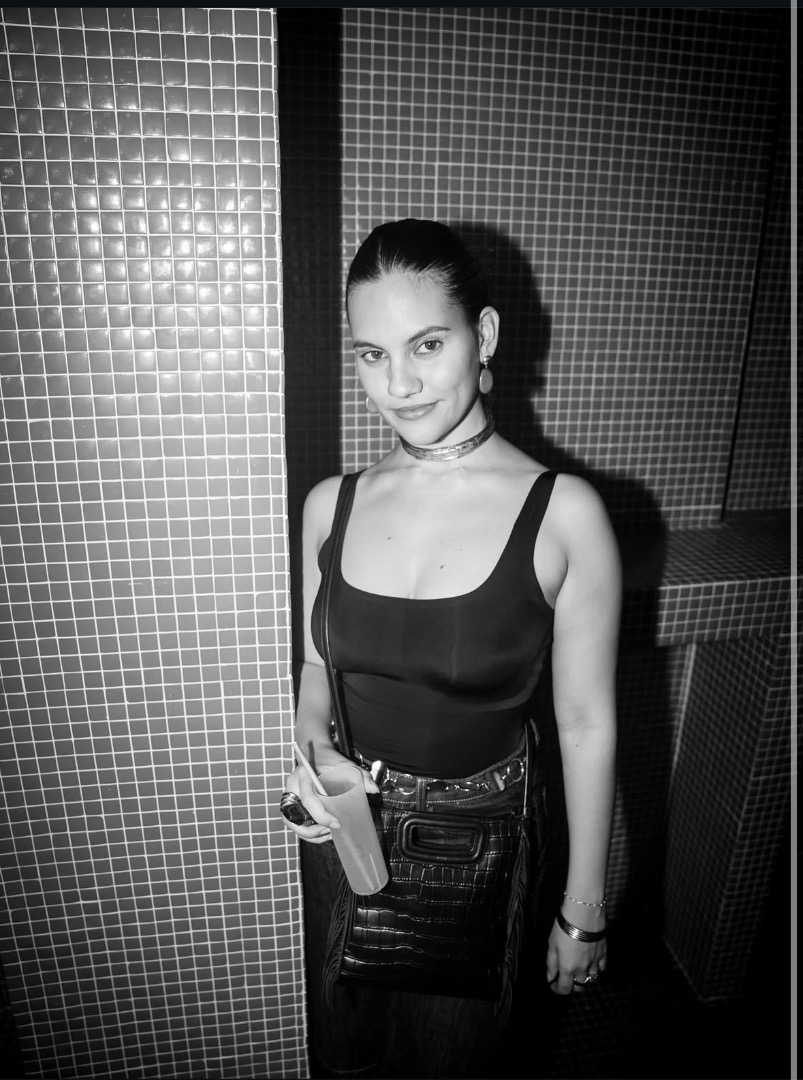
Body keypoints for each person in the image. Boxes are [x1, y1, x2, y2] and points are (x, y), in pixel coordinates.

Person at [281, 219, 621, 1079]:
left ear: (485, 335)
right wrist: (314, 751)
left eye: (426, 344)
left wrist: (583, 909)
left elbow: (585, 724)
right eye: (371, 354)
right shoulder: (329, 504)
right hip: (349, 839)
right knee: (346, 1056)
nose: (398, 383)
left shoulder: (565, 513)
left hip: (477, 846)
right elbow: (318, 668)